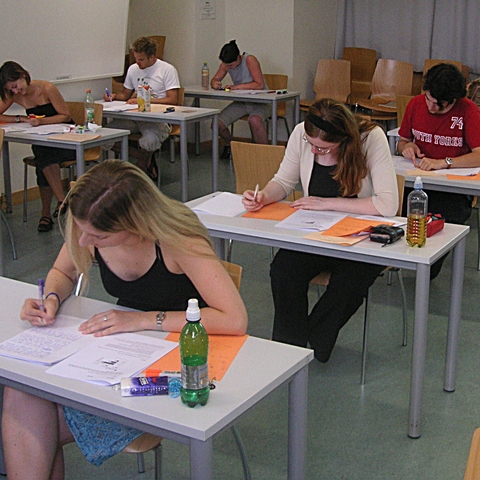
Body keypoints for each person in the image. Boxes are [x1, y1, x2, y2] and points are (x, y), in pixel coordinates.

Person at [3, 160, 248, 479]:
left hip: (181, 369)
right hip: (123, 354)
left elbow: (234, 319)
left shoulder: (177, 238)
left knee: (27, 417)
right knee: (23, 391)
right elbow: (63, 271)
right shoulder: (91, 224)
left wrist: (144, 320)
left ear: (133, 224)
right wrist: (49, 298)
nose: (82, 242)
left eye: (97, 236)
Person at [242, 98, 398, 363]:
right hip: (316, 234)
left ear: (343, 139)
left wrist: (326, 203)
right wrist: (264, 196)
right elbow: (283, 180)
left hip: (360, 238)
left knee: (349, 282)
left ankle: (315, 339)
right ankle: (288, 348)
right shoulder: (302, 135)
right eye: (312, 145)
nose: (314, 151)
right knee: (283, 270)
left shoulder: (371, 138)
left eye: (323, 149)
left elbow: (387, 204)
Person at [397, 63, 480, 278]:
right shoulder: (416, 104)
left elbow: (479, 153)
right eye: (428, 100)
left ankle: (425, 270)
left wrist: (445, 161)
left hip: (452, 190)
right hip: (416, 183)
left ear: (454, 100)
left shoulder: (468, 111)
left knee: (436, 235)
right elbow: (403, 140)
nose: (431, 108)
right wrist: (408, 147)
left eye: (439, 105)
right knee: (397, 217)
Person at [0, 61, 75, 232]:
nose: (16, 91)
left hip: (66, 139)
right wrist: (21, 118)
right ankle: (61, 202)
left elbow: (65, 115)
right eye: (11, 89)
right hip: (44, 141)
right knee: (42, 154)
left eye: (16, 86)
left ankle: (48, 211)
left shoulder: (47, 88)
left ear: (22, 75)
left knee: (43, 157)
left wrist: (41, 121)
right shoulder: (15, 95)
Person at [104, 37, 180, 181]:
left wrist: (146, 100)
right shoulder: (133, 69)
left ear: (152, 57)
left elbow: (173, 100)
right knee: (105, 135)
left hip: (158, 118)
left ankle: (138, 170)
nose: (137, 63)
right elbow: (125, 95)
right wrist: (113, 96)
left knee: (149, 140)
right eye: (136, 59)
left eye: (141, 60)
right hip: (134, 117)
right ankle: (145, 160)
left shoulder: (167, 69)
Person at [211, 40, 270, 158]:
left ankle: (265, 154)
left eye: (231, 65)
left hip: (261, 102)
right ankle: (231, 145)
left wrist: (235, 87)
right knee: (217, 124)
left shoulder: (250, 60)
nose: (229, 68)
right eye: (227, 66)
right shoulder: (226, 64)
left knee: (255, 120)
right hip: (242, 103)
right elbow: (214, 79)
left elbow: (259, 85)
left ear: (238, 57)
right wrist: (215, 83)